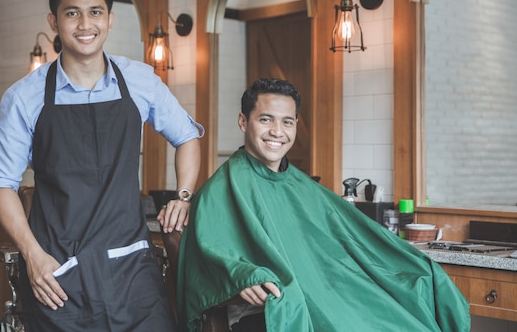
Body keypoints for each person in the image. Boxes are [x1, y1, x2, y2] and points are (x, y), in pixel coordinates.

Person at [0, 0, 203, 332]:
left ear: (110, 19)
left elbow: (187, 137)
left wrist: (183, 195)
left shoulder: (140, 80)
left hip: (131, 266)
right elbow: (1, 184)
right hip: (57, 270)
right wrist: (34, 257)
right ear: (54, 21)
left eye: (95, 12)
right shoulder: (24, 97)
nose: (85, 24)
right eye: (72, 13)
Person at [177, 78, 470, 332]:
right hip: (280, 306)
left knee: (408, 309)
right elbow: (210, 250)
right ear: (244, 121)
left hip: (330, 292)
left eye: (287, 121)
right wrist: (242, 275)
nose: (277, 131)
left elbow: (354, 238)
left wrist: (412, 263)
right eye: (266, 119)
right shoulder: (221, 189)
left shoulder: (304, 187)